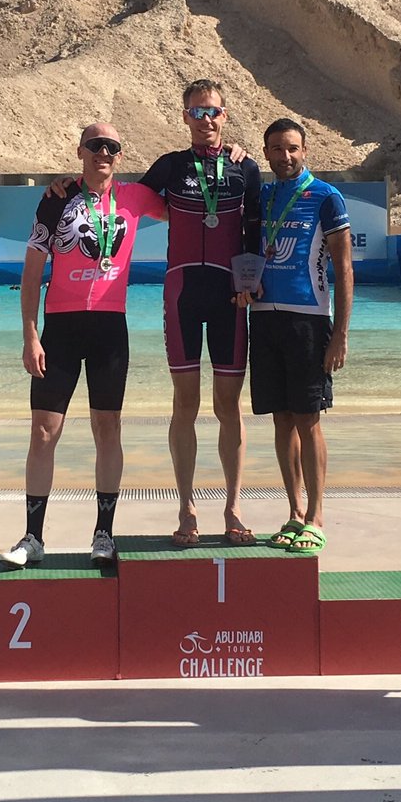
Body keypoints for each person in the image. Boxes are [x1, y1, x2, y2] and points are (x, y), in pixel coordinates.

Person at [1, 123, 165, 568]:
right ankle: (33, 537)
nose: (104, 153)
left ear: (119, 155)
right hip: (61, 328)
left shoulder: (135, 198)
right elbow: (32, 270)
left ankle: (104, 534)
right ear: (80, 151)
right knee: (42, 432)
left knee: (107, 429)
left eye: (112, 147)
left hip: (111, 328)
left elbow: (185, 207)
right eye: (96, 146)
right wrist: (30, 334)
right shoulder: (56, 198)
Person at [139, 80, 262, 546]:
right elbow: (127, 202)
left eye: (211, 112)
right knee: (184, 405)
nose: (204, 120)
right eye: (195, 112)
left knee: (228, 407)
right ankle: (187, 507)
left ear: (224, 116)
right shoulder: (170, 167)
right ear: (185, 117)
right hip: (182, 293)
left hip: (232, 296)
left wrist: (250, 284)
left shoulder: (244, 168)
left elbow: (254, 230)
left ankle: (232, 507)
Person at [243, 117, 352, 555]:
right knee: (281, 419)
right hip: (264, 320)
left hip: (308, 320)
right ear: (266, 152)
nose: (284, 157)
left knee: (308, 420)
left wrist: (340, 333)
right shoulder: (263, 195)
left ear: (304, 150)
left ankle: (316, 516)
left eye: (292, 149)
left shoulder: (326, 196)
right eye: (276, 149)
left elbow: (344, 269)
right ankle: (292, 510)